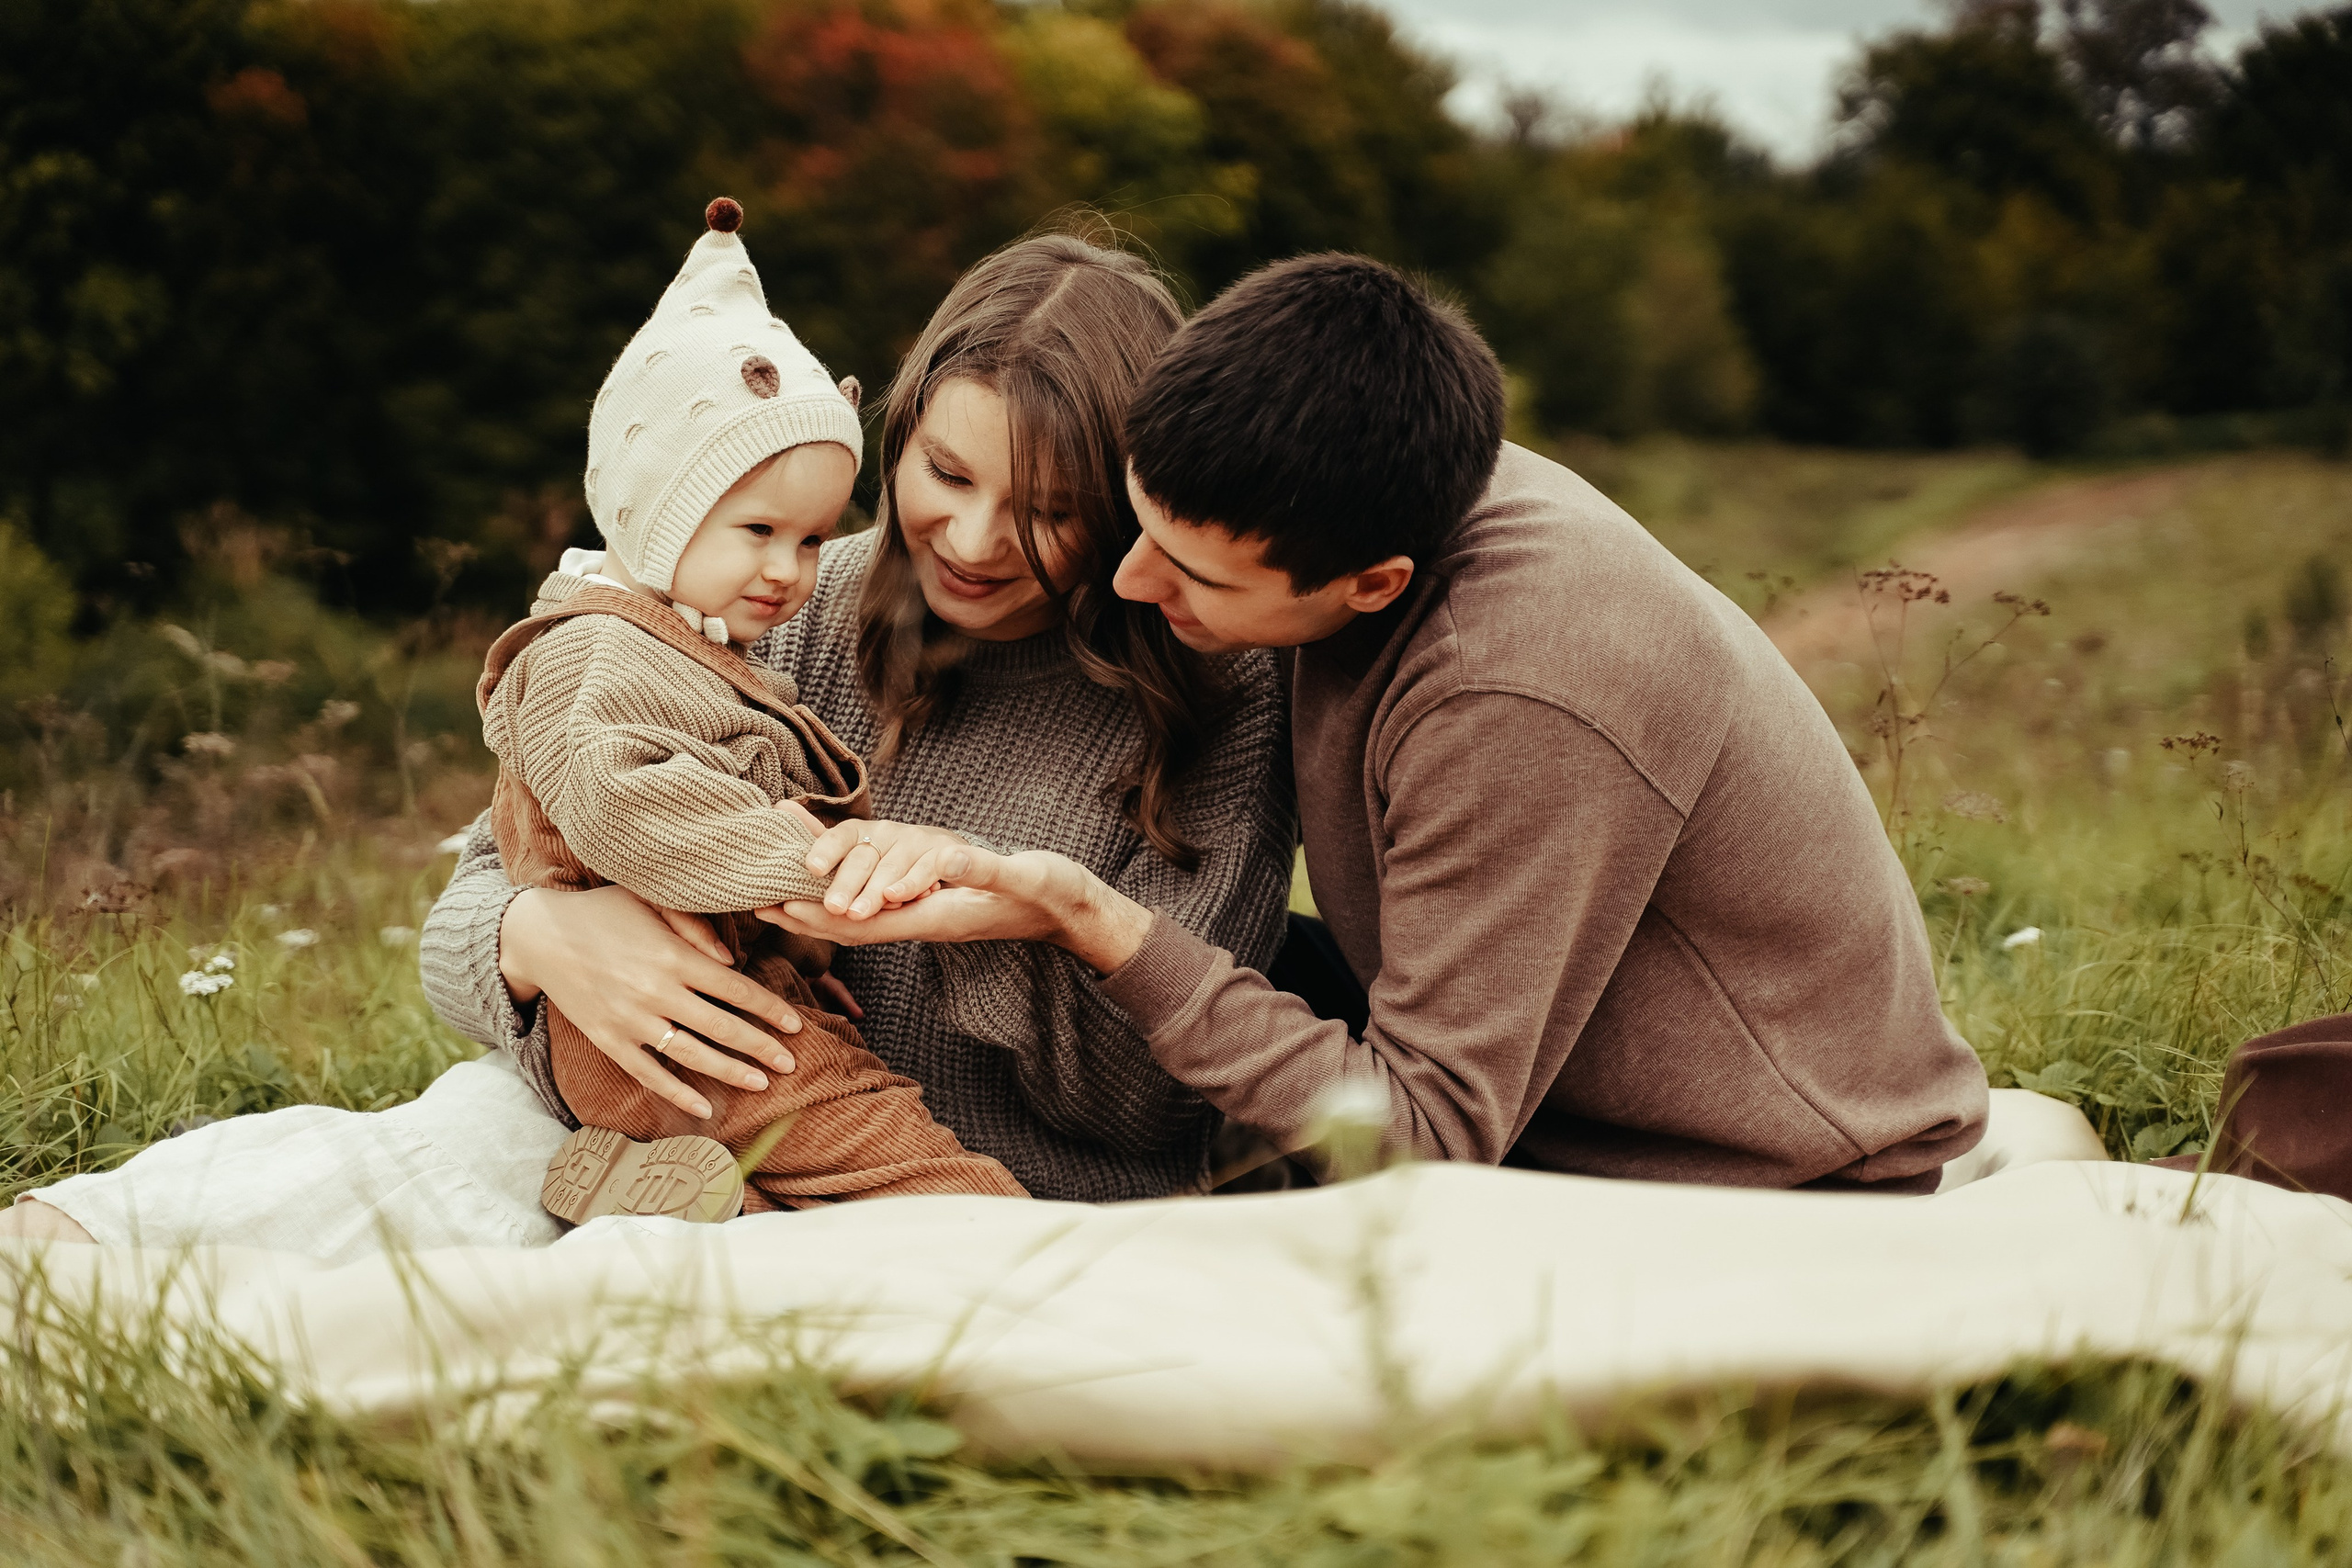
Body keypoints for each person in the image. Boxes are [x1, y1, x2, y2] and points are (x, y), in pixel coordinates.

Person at [6, 228, 1290, 1256]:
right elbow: (473, 896)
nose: (973, 539)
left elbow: (1146, 1105)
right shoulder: (785, 596)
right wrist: (545, 941)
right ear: (898, 436)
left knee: (609, 1276)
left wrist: (992, 915)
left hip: (995, 1203)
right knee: (448, 1141)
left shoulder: (1212, 689)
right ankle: (64, 1259)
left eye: (1051, 510)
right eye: (946, 474)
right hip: (689, 1124)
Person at [774, 254, 1993, 1194]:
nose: (1134, 586)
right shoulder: (1337, 468)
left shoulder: (1510, 689)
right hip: (1524, 1086)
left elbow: (1432, 1134)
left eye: (1192, 575)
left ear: (1372, 585)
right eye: (1134, 522)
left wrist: (1080, 911)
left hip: (1731, 1172)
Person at [481, 197, 1024, 1223]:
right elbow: (623, 801)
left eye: (815, 540)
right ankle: (1011, 1252)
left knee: (816, 1173)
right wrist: (810, 870)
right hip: (653, 1018)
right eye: (759, 529)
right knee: (908, 1165)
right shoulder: (595, 650)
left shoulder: (701, 639)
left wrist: (803, 949)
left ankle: (666, 1203)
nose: (787, 571)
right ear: (654, 512)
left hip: (706, 1016)